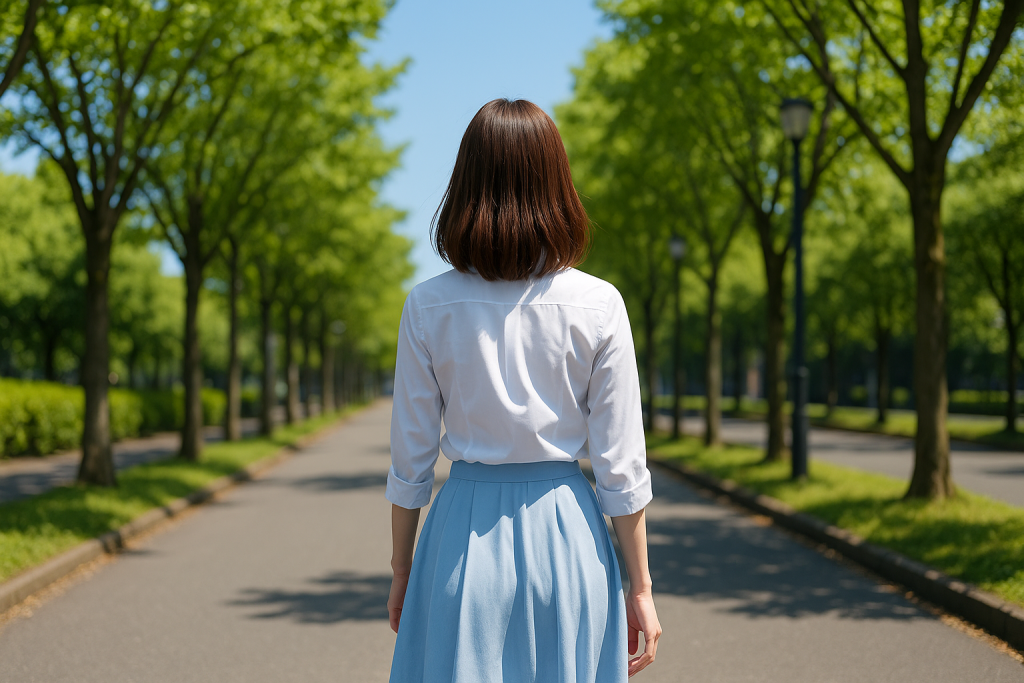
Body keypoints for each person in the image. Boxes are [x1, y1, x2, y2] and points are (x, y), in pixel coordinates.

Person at [386, 98, 661, 682]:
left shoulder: (428, 305)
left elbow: (410, 460)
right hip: (569, 537)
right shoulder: (599, 303)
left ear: (465, 185)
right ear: (556, 183)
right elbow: (621, 465)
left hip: (459, 538)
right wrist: (640, 585)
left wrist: (402, 569)